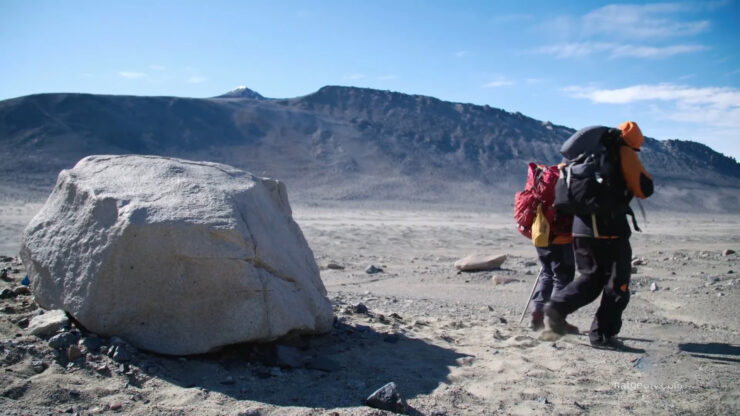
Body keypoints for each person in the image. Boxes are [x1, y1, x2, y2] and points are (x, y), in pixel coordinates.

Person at [545, 121, 653, 350]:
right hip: (609, 229)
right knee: (618, 284)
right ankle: (602, 335)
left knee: (591, 278)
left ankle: (557, 307)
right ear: (634, 142)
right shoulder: (623, 152)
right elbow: (644, 188)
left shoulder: (583, 155)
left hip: (581, 228)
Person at [529, 210, 579, 334]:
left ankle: (537, 315)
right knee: (563, 278)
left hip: (540, 231)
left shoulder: (538, 188)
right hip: (560, 236)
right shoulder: (563, 189)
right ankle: (554, 320)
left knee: (547, 274)